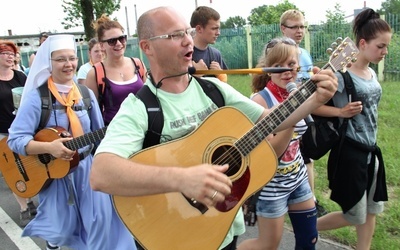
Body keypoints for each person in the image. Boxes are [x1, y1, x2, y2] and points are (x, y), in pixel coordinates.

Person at [89, 6, 338, 250]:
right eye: (175, 35)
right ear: (147, 47)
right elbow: (101, 174)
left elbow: (271, 119)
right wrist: (182, 178)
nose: (188, 41)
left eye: (187, 32)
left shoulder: (213, 89)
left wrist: (314, 98)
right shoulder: (139, 108)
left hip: (223, 229)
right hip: (171, 235)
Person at [7, 34, 136, 250]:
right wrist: (49, 148)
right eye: (60, 59)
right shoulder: (38, 98)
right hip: (55, 176)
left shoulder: (85, 94)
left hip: (87, 170)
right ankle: (53, 241)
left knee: (101, 225)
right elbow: (16, 140)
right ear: (50, 63)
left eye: (72, 58)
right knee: (61, 230)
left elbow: (99, 133)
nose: (68, 65)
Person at [316, 8, 391, 250]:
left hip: (371, 151)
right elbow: (312, 107)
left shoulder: (370, 72)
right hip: (351, 152)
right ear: (362, 43)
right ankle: (307, 226)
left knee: (372, 211)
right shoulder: (340, 75)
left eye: (386, 46)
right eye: (380, 46)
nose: (385, 52)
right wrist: (339, 111)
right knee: (353, 215)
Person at [237, 37, 318, 250]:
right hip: (271, 185)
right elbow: (270, 152)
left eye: (291, 64)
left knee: (310, 238)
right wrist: (291, 115)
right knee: (267, 245)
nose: (286, 71)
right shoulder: (260, 101)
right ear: (267, 70)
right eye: (278, 66)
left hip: (297, 176)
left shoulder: (299, 89)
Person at [280, 9, 327, 217]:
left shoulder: (304, 53)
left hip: (306, 112)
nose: (299, 31)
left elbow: (307, 82)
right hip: (285, 115)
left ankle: (310, 200)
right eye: (294, 27)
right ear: (283, 29)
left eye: (302, 27)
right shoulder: (278, 51)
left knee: (307, 159)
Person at [0, 39, 37, 227]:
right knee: (14, 170)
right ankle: (24, 207)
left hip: (23, 131)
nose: (10, 56)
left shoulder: (20, 76)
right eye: (5, 53)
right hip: (3, 133)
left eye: (12, 53)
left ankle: (30, 200)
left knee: (29, 167)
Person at [85, 14, 146, 125]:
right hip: (114, 134)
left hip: (145, 129)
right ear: (102, 45)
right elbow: (92, 113)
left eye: (121, 38)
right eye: (112, 41)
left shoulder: (138, 64)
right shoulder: (95, 73)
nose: (118, 43)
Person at [190, 6, 228, 82]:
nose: (218, 33)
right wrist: (194, 73)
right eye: (214, 28)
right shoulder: (184, 55)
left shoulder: (216, 54)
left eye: (218, 28)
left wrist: (220, 75)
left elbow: (224, 87)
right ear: (199, 29)